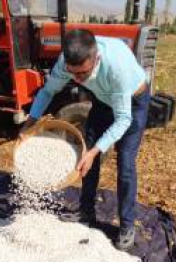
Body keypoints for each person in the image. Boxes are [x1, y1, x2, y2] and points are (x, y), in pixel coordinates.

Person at [22, 29, 150, 250]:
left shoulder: (116, 68)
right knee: (86, 152)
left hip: (133, 102)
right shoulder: (66, 62)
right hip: (102, 99)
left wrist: (95, 152)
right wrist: (30, 121)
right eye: (73, 74)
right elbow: (47, 91)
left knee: (126, 163)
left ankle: (127, 225)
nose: (77, 79)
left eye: (82, 74)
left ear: (96, 59)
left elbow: (122, 120)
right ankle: (86, 211)